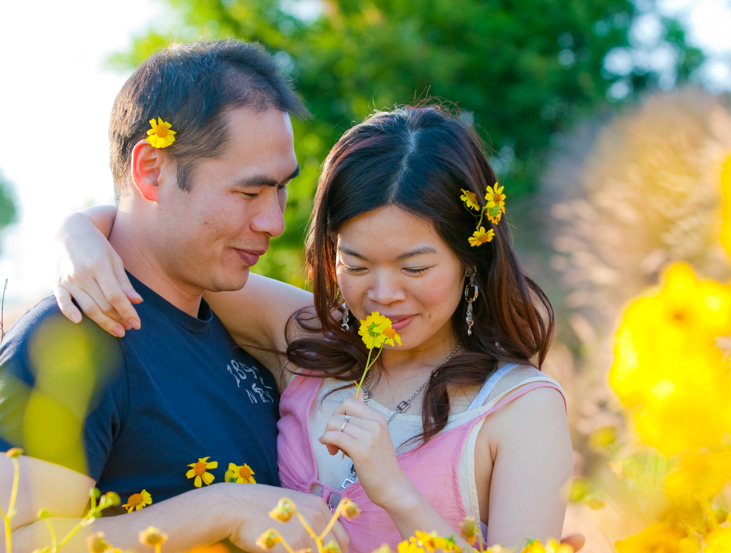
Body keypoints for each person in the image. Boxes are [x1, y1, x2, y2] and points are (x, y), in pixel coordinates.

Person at [55, 106, 574, 552]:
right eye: (356, 264)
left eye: (415, 268)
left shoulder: (519, 409)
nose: (383, 294)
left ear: (472, 258)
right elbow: (165, 251)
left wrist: (396, 493)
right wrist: (77, 233)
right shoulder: (307, 339)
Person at [0, 40, 350, 553]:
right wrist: (221, 508)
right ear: (151, 170)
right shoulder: (73, 339)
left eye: (281, 189)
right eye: (248, 192)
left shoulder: (240, 325)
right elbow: (15, 540)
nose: (273, 222)